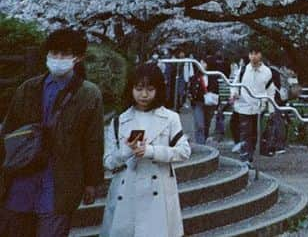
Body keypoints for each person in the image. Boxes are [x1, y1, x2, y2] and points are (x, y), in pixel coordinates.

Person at [0, 28, 104, 237]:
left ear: (78, 57)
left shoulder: (89, 94)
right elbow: (9, 130)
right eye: (53, 53)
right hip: (22, 176)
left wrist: (92, 182)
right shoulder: (28, 88)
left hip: (60, 179)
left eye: (64, 54)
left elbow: (93, 141)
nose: (58, 59)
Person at [100, 63, 191, 237]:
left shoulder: (170, 118)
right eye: (139, 88)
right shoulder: (119, 121)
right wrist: (126, 151)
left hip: (158, 192)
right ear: (131, 89)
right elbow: (108, 161)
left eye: (150, 89)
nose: (144, 94)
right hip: (126, 192)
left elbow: (184, 151)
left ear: (158, 90)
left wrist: (151, 151)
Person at [230, 47, 273, 163]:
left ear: (261, 55)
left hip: (258, 107)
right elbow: (235, 84)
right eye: (251, 54)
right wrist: (234, 94)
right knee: (245, 132)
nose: (253, 56)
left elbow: (270, 90)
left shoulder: (267, 72)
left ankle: (250, 153)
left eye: (256, 53)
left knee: (254, 133)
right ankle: (245, 158)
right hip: (244, 106)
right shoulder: (243, 70)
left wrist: (271, 108)